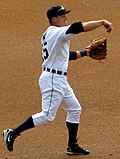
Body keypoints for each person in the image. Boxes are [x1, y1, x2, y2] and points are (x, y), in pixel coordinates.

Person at [3, 5, 112, 155]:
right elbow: (78, 26)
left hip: (58, 79)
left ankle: (72, 146)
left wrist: (86, 53)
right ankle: (13, 132)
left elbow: (65, 55)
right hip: (53, 79)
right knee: (47, 116)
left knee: (74, 110)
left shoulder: (49, 34)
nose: (65, 18)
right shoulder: (58, 32)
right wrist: (101, 22)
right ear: (54, 19)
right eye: (62, 16)